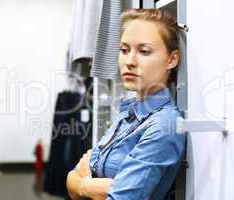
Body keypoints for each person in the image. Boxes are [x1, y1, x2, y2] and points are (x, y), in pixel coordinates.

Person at [66, 9, 186, 200]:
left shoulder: (164, 125)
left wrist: (82, 183)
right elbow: (71, 180)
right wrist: (86, 187)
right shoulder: (128, 112)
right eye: (124, 50)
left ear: (171, 60)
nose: (129, 61)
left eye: (144, 51)